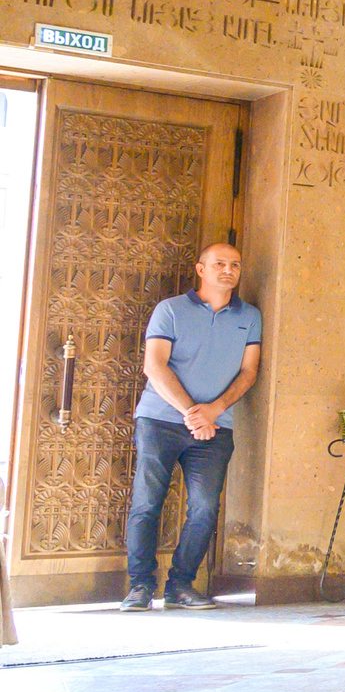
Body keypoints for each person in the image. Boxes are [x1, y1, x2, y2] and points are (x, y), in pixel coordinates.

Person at [122, 243, 261, 611]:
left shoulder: (250, 316)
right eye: (219, 264)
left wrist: (213, 411)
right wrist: (191, 412)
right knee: (147, 502)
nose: (228, 270)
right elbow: (155, 366)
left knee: (204, 508)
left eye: (235, 264)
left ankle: (181, 586)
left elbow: (249, 372)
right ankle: (139, 586)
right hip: (160, 420)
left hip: (216, 428)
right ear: (201, 269)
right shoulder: (170, 310)